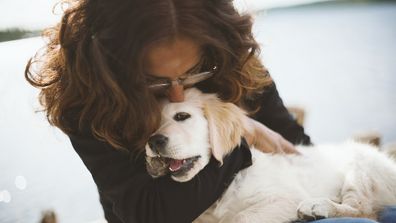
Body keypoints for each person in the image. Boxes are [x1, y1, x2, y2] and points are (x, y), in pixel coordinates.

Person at [25, 0, 394, 222]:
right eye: (154, 81)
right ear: (115, 67)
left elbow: (297, 151)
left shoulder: (233, 69)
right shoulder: (91, 106)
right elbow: (151, 214)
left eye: (193, 72)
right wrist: (240, 137)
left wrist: (232, 124)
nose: (177, 90)